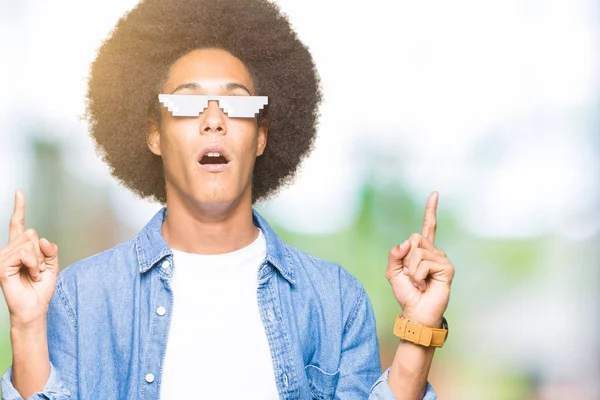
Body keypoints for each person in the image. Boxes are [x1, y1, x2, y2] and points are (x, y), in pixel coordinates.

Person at [0, 0, 455, 398]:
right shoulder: (83, 298)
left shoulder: (335, 300)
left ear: (260, 136)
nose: (214, 120)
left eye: (237, 105)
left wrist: (418, 329)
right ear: (154, 135)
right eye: (185, 103)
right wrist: (24, 325)